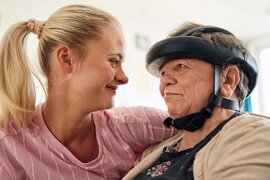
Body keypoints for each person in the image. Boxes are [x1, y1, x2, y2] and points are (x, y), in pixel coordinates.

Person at [0, 4, 176, 179]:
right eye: (114, 61)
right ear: (66, 59)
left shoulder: (134, 126)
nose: (124, 78)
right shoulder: (8, 145)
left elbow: (200, 123)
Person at [123, 22, 270, 180]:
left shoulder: (257, 137)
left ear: (228, 80)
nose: (164, 80)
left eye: (180, 66)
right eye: (163, 72)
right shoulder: (151, 152)